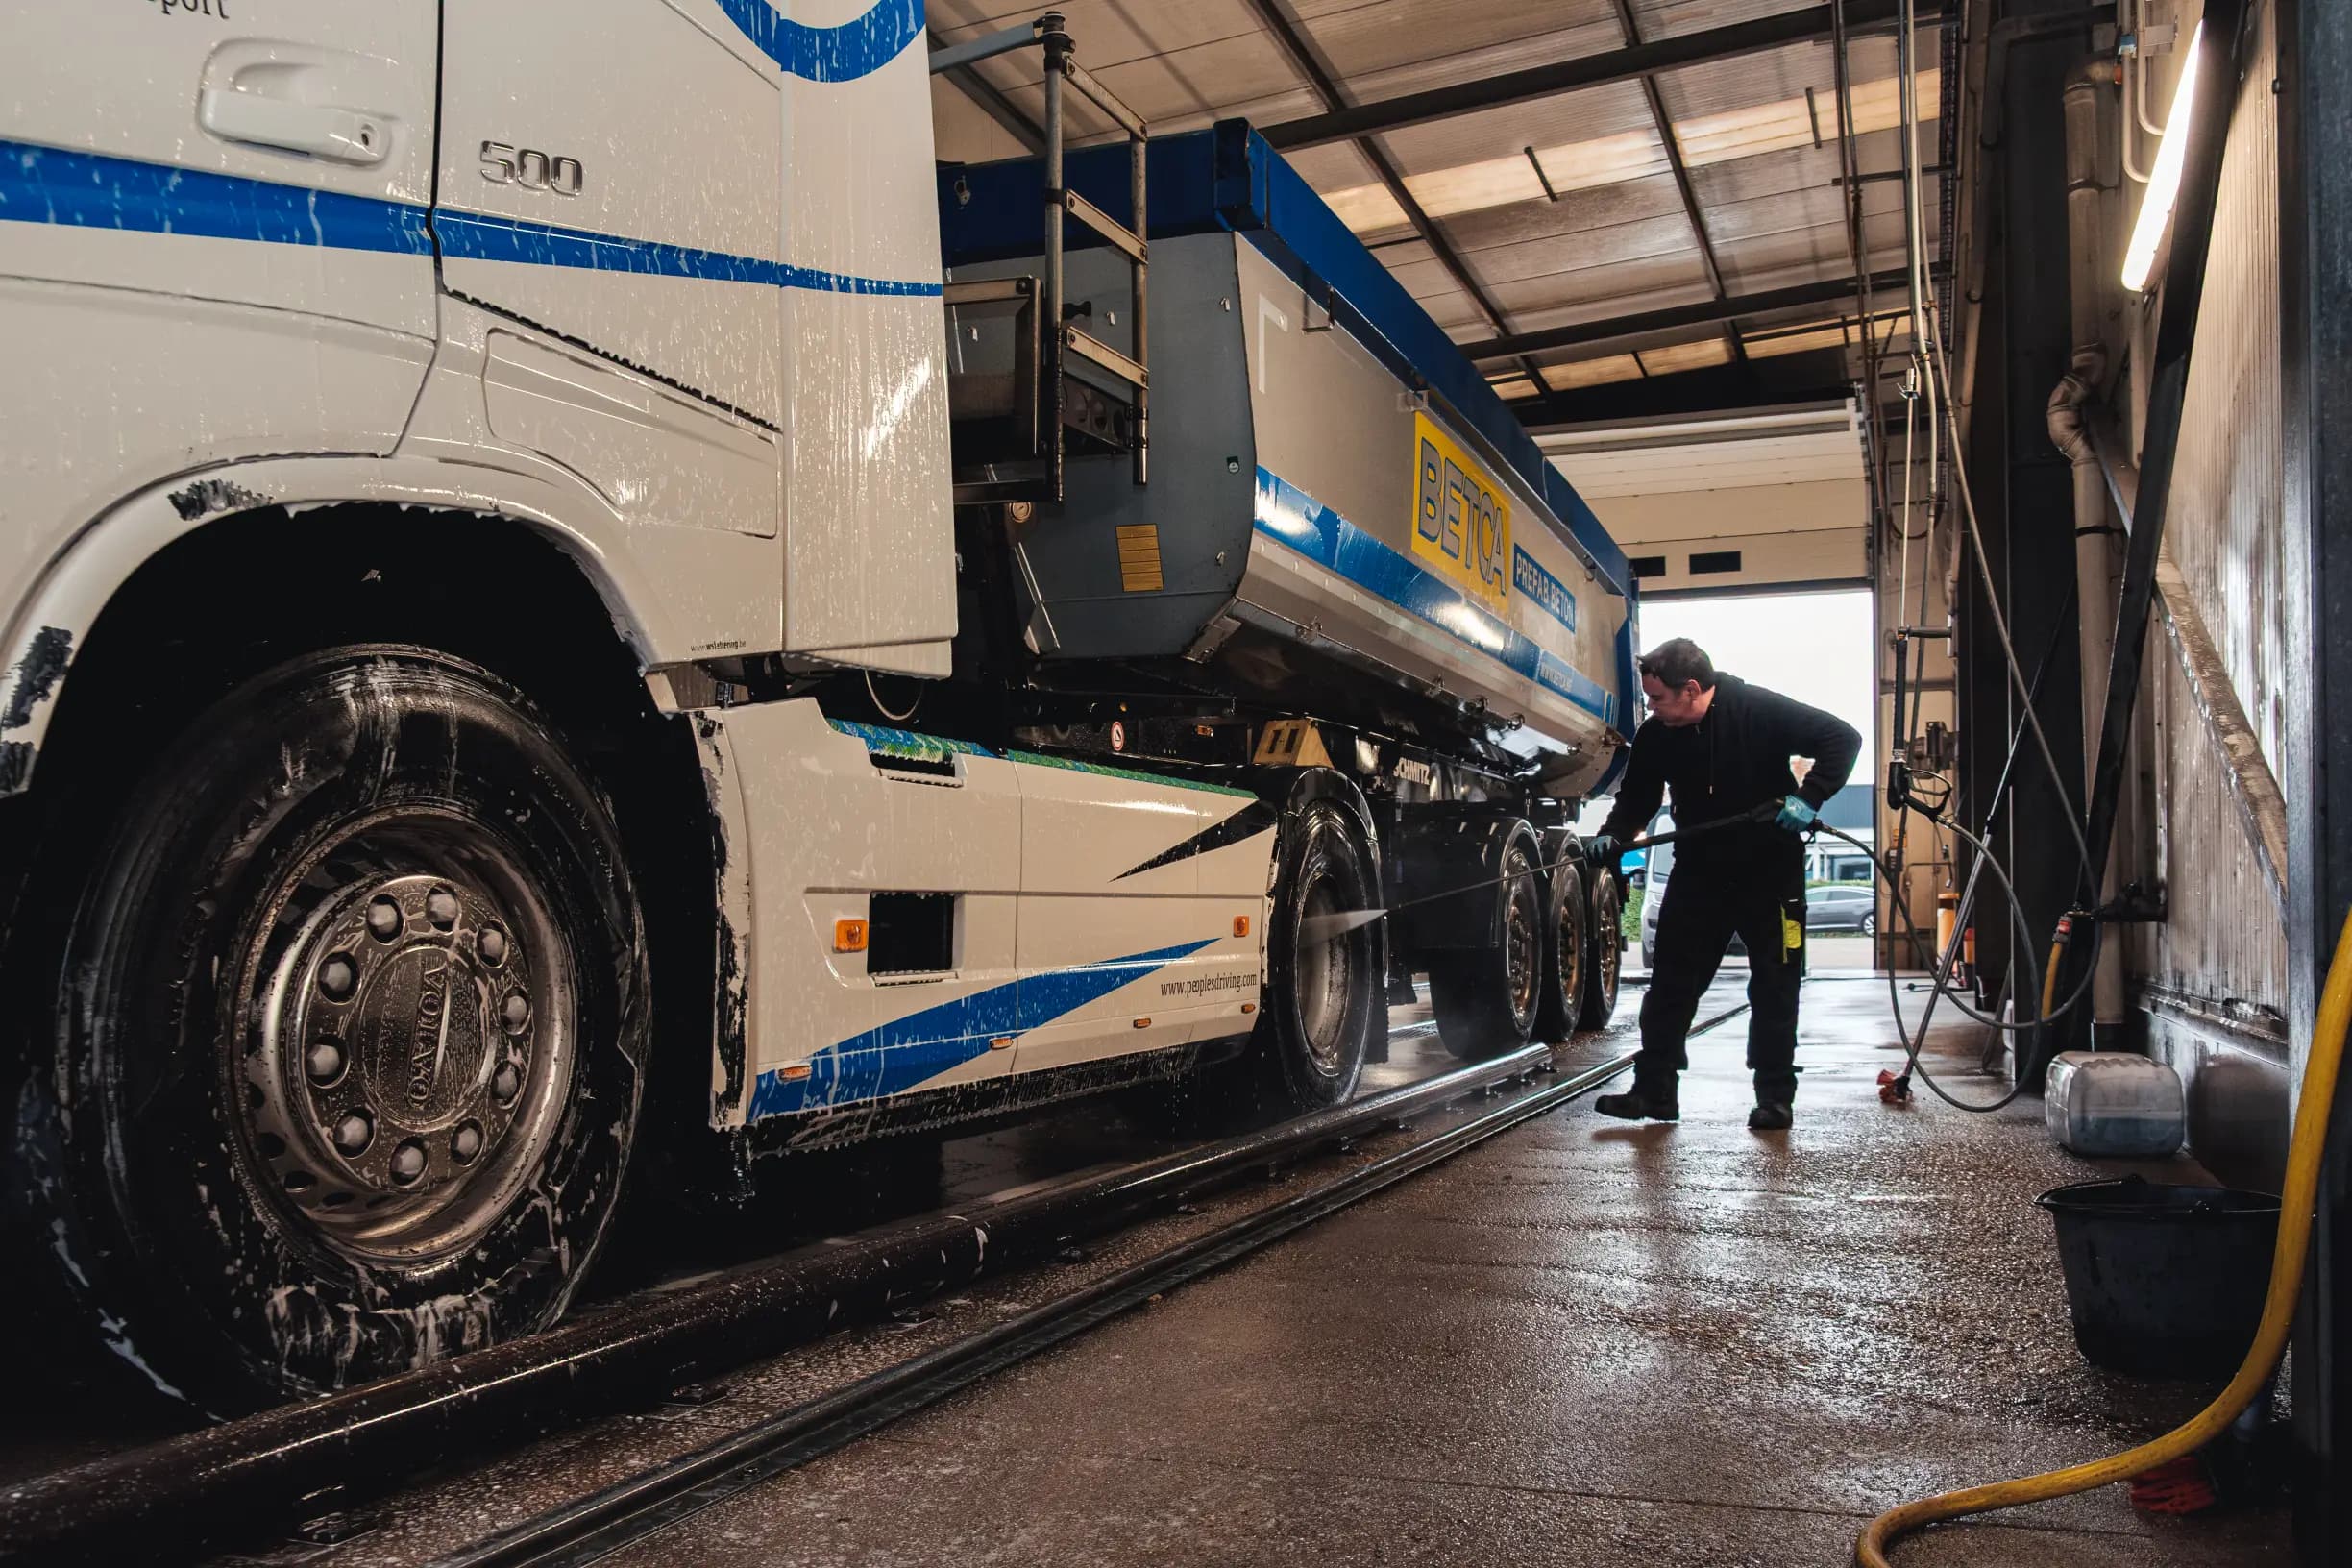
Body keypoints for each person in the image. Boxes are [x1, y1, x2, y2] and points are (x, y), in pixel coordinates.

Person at [1583, 638, 1862, 1130]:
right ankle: (1654, 1091)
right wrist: (1611, 836)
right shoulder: (1657, 735)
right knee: (1670, 984)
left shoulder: (1759, 709)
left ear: (1691, 689)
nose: (1652, 708)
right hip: (1700, 872)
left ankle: (1775, 1099)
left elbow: (1844, 738)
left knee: (1775, 986)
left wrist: (1809, 797)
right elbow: (1636, 800)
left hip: (1771, 872)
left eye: (1659, 698)